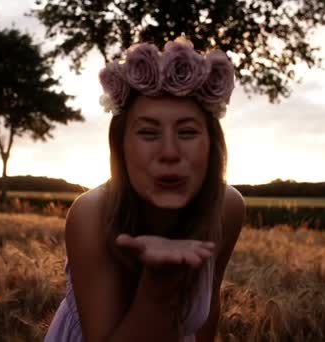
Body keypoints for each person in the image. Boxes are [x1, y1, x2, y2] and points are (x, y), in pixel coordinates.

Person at [45, 36, 245, 342]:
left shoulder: (227, 207)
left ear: (212, 146)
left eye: (188, 132)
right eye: (148, 133)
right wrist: (159, 282)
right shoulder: (91, 214)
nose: (169, 152)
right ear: (121, 147)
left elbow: (209, 310)